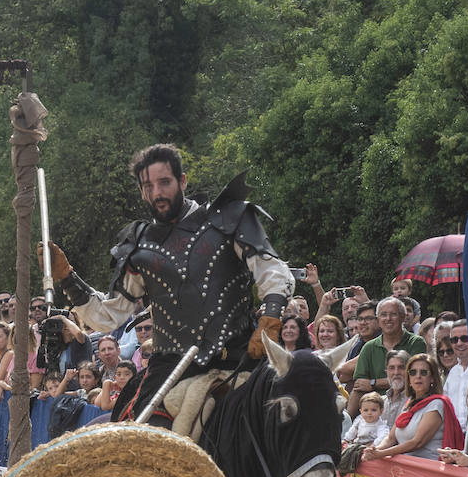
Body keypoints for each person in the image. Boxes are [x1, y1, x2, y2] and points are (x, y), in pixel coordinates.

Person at [42, 142, 293, 426]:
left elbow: (272, 270)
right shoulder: (138, 244)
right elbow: (109, 315)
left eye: (164, 182)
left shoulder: (228, 218)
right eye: (148, 186)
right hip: (171, 369)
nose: (157, 193)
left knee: (291, 425)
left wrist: (271, 316)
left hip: (240, 356)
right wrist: (67, 277)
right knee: (140, 448)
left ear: (182, 180)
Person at [365, 354, 462, 462]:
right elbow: (391, 438)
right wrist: (374, 450)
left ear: (432, 378)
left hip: (428, 470)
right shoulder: (409, 403)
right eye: (413, 372)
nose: (418, 376)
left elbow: (417, 442)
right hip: (405, 468)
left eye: (424, 372)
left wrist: (381, 454)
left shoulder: (436, 404)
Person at [352, 297, 426, 399]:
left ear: (403, 317)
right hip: (374, 407)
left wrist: (373, 383)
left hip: (408, 403)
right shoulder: (369, 347)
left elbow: (414, 378)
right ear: (378, 319)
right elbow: (360, 385)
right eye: (383, 315)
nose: (388, 319)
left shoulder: (416, 343)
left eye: (393, 314)